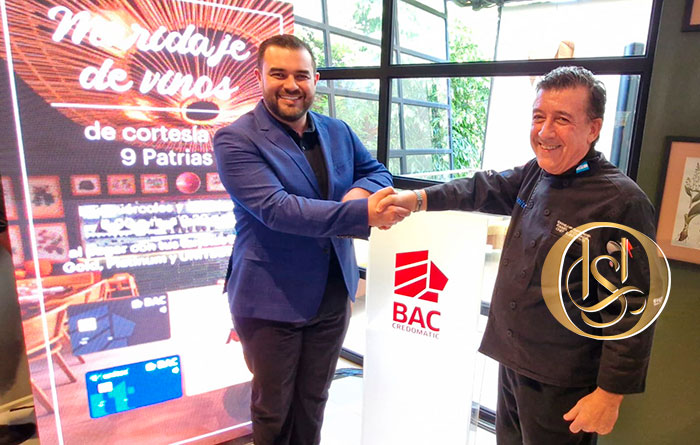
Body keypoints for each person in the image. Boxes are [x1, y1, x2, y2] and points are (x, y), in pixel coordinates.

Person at [377, 66, 656, 444]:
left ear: (593, 129)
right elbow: (481, 188)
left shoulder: (623, 202)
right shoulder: (536, 174)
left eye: (561, 119)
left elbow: (633, 310)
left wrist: (609, 394)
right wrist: (418, 199)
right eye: (539, 117)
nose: (544, 131)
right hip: (512, 358)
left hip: (563, 379)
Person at [213, 34, 407, 445]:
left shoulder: (337, 131)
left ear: (315, 80)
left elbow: (377, 172)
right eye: (278, 74)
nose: (291, 85)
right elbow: (277, 209)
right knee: (274, 411)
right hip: (271, 299)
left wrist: (357, 195)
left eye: (301, 75)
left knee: (314, 400)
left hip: (333, 292)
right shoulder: (236, 139)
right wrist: (361, 212)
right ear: (259, 77)